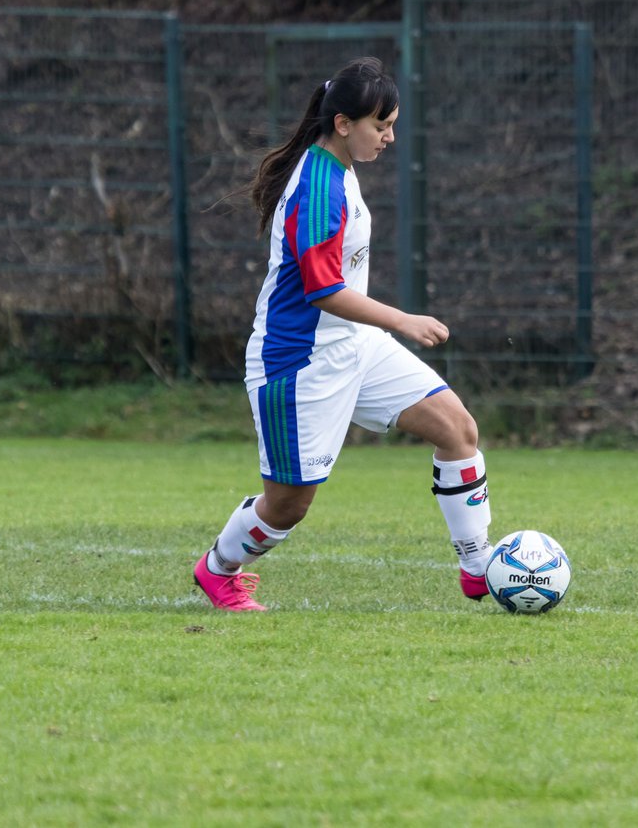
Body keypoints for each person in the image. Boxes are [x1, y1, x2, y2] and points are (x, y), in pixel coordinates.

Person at [193, 57, 494, 611]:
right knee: (287, 507)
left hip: (354, 344)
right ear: (343, 123)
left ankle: (481, 570)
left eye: (392, 123)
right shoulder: (316, 186)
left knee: (457, 429)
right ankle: (218, 568)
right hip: (297, 363)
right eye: (381, 125)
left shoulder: (341, 168)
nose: (389, 136)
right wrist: (402, 320)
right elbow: (323, 290)